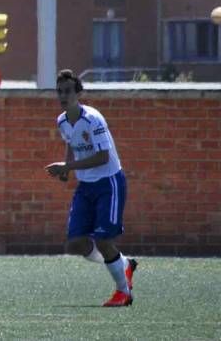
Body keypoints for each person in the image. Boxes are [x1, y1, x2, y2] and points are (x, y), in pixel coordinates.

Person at [46, 69, 138, 307]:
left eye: (68, 91)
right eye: (60, 92)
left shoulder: (93, 119)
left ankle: (123, 292)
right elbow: (70, 143)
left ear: (78, 93)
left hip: (109, 183)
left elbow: (103, 157)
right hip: (85, 186)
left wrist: (68, 165)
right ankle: (124, 264)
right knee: (76, 243)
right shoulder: (62, 121)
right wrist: (67, 169)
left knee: (104, 241)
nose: (63, 96)